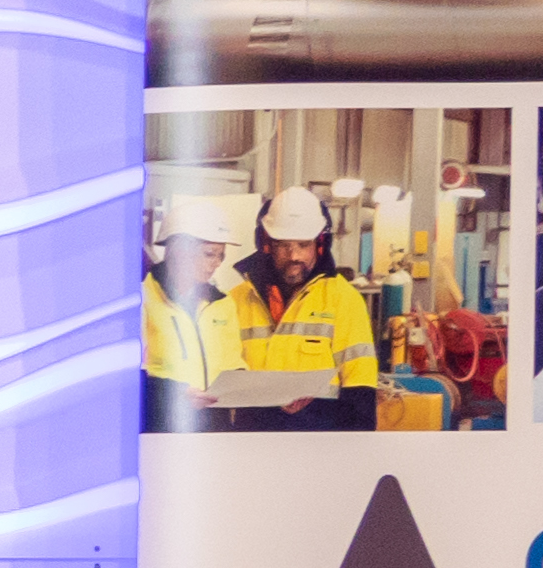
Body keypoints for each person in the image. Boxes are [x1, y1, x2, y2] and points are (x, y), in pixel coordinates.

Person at [219, 183, 382, 428]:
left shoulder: (342, 299)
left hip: (320, 436)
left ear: (319, 244)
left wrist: (355, 454)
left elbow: (360, 384)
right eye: (284, 245)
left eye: (303, 245)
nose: (294, 256)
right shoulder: (236, 300)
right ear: (267, 244)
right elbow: (221, 372)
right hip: (252, 435)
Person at [143, 192, 245, 429]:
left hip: (213, 425)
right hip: (160, 424)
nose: (217, 263)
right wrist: (174, 393)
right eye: (209, 253)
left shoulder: (222, 304)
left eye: (221, 255)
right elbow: (125, 380)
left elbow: (232, 364)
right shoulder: (141, 300)